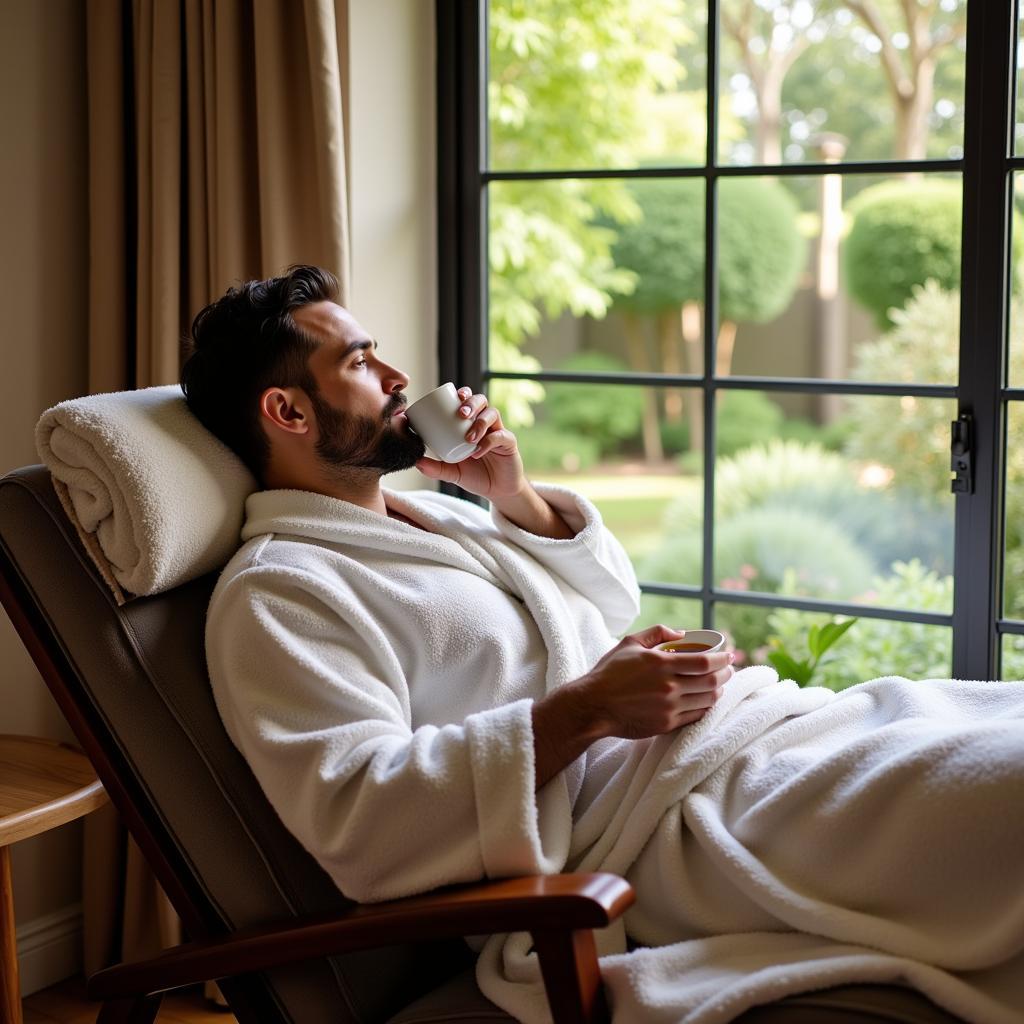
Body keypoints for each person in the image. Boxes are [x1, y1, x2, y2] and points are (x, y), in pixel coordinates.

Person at [183, 265, 1024, 1023]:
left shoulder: (428, 515)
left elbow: (607, 600)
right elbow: (361, 822)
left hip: (732, 741)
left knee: (982, 728)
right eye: (362, 363)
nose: (398, 376)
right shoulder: (281, 593)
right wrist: (589, 710)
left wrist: (512, 497)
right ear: (287, 410)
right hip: (655, 834)